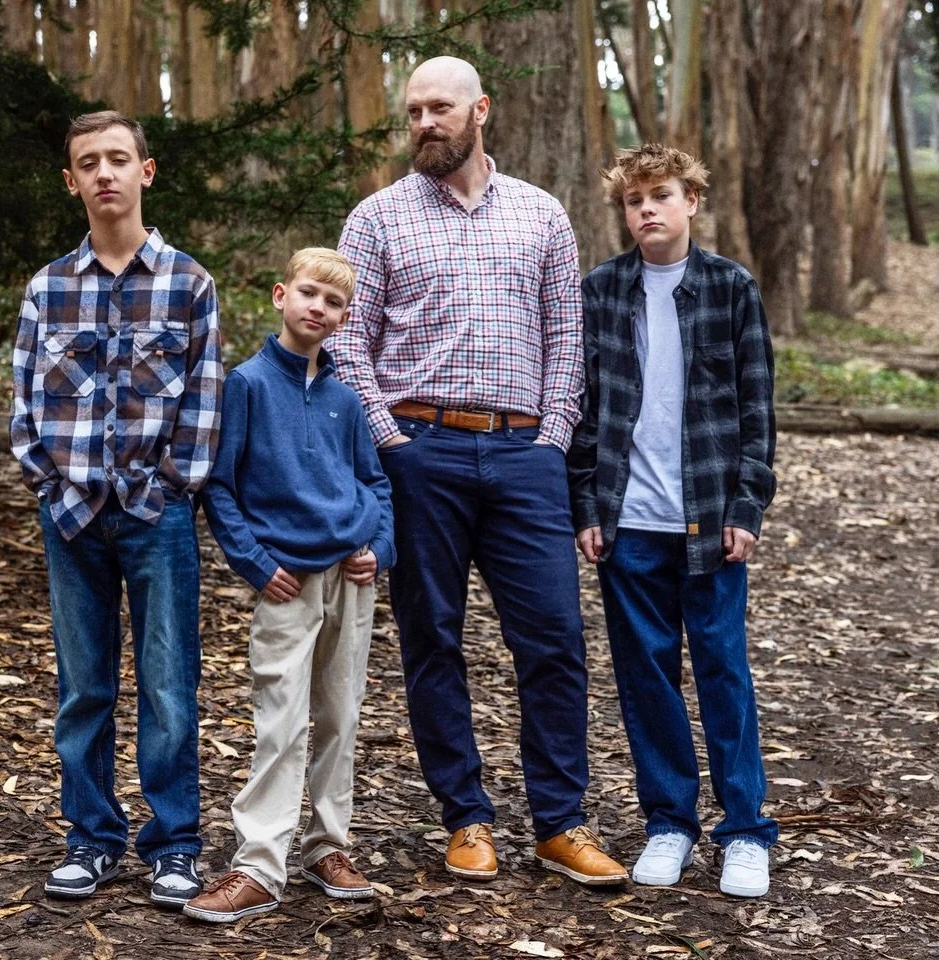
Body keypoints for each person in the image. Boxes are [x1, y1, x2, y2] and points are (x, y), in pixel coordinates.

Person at [329, 56, 627, 887]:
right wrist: (392, 442)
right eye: (415, 109)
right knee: (432, 639)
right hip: (421, 452)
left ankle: (559, 822)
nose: (425, 121)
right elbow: (351, 341)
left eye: (441, 108)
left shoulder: (541, 214)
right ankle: (466, 818)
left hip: (526, 455)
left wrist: (553, 437)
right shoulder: (378, 218)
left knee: (556, 641)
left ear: (480, 111)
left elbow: (567, 336)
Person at [9, 110, 222, 906]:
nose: (104, 173)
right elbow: (25, 403)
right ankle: (91, 838)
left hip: (156, 517)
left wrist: (169, 489)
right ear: (71, 181)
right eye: (88, 163)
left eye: (118, 159)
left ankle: (174, 844)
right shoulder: (48, 287)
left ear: (146, 171)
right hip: (70, 517)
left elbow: (204, 402)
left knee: (169, 687)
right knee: (83, 686)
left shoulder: (189, 283)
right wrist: (49, 481)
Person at [567, 142, 778, 898]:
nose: (647, 209)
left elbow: (757, 410)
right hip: (628, 523)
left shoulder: (730, 288)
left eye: (661, 195)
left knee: (723, 671)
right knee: (646, 676)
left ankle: (746, 831)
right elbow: (584, 409)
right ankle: (669, 824)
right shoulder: (601, 291)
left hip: (711, 521)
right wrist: (587, 504)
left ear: (692, 200)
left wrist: (747, 503)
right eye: (634, 200)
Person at [187, 248, 395, 922]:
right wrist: (253, 562)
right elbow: (221, 486)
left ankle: (327, 846)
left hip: (351, 576)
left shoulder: (345, 399)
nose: (319, 309)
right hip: (286, 580)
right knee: (281, 722)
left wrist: (379, 546)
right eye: (309, 293)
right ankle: (258, 863)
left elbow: (377, 483)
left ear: (342, 318)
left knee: (340, 716)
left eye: (334, 303)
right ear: (281, 295)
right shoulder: (246, 385)